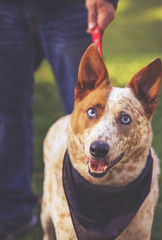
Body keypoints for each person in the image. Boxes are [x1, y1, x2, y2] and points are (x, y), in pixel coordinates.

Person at [0, 0, 118, 239]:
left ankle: (97, 220)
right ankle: (14, 214)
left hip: (71, 9)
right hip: (6, 9)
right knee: (6, 111)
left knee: (92, 114)